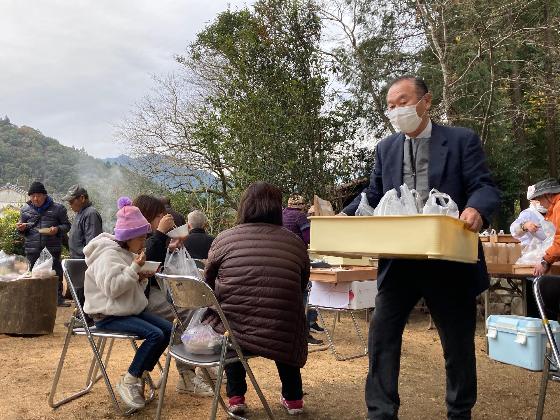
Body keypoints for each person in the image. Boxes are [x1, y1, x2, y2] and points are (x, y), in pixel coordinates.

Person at [341, 75, 500, 420]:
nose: (396, 111)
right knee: (382, 335)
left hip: (448, 258)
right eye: (390, 105)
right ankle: (381, 412)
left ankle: (460, 411)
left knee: (457, 343)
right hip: (399, 261)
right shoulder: (386, 148)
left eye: (402, 102)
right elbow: (373, 195)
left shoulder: (461, 140)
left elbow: (484, 186)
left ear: (426, 102)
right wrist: (340, 216)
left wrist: (477, 209)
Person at [204, 182, 309, 416]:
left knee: (230, 328)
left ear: (244, 207)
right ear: (277, 209)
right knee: (288, 324)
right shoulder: (295, 242)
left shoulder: (224, 239)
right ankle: (293, 399)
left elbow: (207, 282)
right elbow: (301, 285)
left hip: (236, 327)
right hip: (281, 328)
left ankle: (235, 396)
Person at [83, 197, 172, 411]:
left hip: (126, 310)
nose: (143, 243)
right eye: (141, 238)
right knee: (155, 335)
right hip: (108, 315)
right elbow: (112, 288)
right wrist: (134, 269)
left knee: (168, 330)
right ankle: (130, 379)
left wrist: (140, 277)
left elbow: (127, 289)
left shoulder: (126, 253)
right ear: (129, 237)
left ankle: (139, 373)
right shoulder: (108, 255)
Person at [133, 195, 214, 397]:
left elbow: (153, 259)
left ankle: (196, 366)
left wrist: (169, 246)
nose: (163, 217)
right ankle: (189, 372)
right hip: (137, 297)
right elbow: (144, 259)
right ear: (147, 215)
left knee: (192, 307)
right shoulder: (134, 234)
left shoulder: (148, 236)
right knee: (183, 312)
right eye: (159, 214)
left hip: (149, 292)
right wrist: (161, 234)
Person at [17, 181, 72, 307]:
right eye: (32, 196)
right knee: (32, 274)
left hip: (52, 246)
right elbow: (23, 230)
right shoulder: (25, 209)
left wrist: (57, 229)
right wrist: (21, 228)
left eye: (38, 195)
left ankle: (57, 299)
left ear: (45, 195)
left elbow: (67, 226)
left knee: (55, 273)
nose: (35, 198)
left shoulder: (58, 208)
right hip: (32, 248)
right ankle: (33, 299)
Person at [282, 195, 324, 345]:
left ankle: (295, 330)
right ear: (301, 205)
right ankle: (305, 333)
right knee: (306, 294)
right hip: (298, 258)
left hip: (282, 259)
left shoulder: (281, 214)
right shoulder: (300, 217)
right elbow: (308, 238)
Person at [510, 186, 553, 317]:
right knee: (536, 306)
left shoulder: (553, 211)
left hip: (551, 262)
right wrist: (525, 225)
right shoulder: (528, 214)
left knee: (550, 306)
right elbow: (514, 230)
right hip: (533, 263)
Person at [529, 179, 560, 277]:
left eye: (540, 199)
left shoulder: (559, 207)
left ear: (549, 195)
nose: (540, 204)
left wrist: (545, 261)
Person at [63, 185, 103, 258]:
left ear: (82, 198)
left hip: (84, 262)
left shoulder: (90, 214)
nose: (69, 204)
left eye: (71, 201)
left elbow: (92, 245)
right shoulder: (80, 213)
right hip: (77, 260)